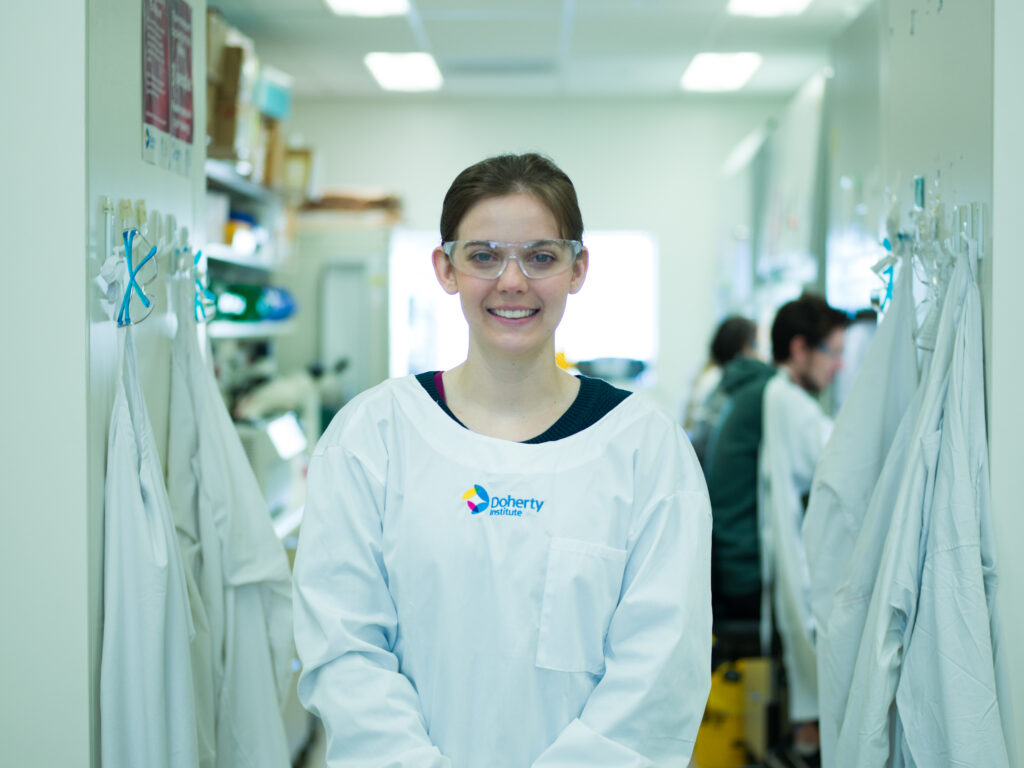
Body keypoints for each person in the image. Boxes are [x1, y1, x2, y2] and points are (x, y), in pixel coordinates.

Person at [292, 152, 713, 767]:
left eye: (541, 256)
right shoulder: (374, 435)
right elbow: (345, 645)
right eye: (484, 255)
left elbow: (660, 671)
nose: (512, 282)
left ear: (578, 268)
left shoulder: (646, 449)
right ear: (446, 267)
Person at [758, 293, 847, 757]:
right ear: (799, 349)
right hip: (791, 567)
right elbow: (844, 463)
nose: (838, 366)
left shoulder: (779, 394)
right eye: (833, 351)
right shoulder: (789, 402)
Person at [684, 314, 759, 467]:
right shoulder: (716, 380)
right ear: (743, 348)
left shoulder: (708, 372)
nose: (759, 355)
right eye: (755, 346)